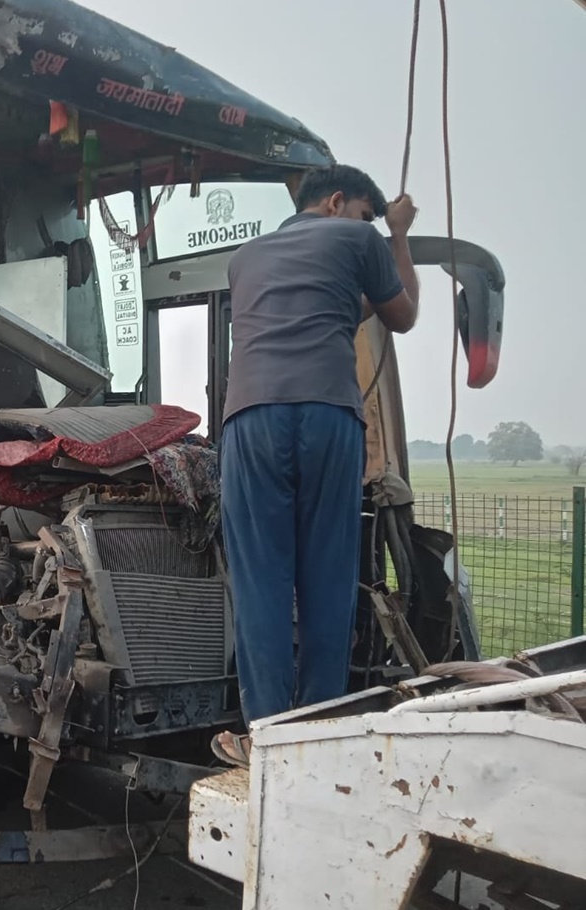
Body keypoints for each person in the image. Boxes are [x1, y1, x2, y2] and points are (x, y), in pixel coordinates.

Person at [211, 165, 420, 767]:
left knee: (262, 585)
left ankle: (267, 734)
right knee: (328, 575)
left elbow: (333, 310)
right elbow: (400, 315)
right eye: (363, 213)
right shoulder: (357, 240)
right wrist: (398, 236)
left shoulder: (244, 259)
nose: (366, 226)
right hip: (328, 415)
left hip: (248, 419)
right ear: (336, 202)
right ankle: (322, 731)